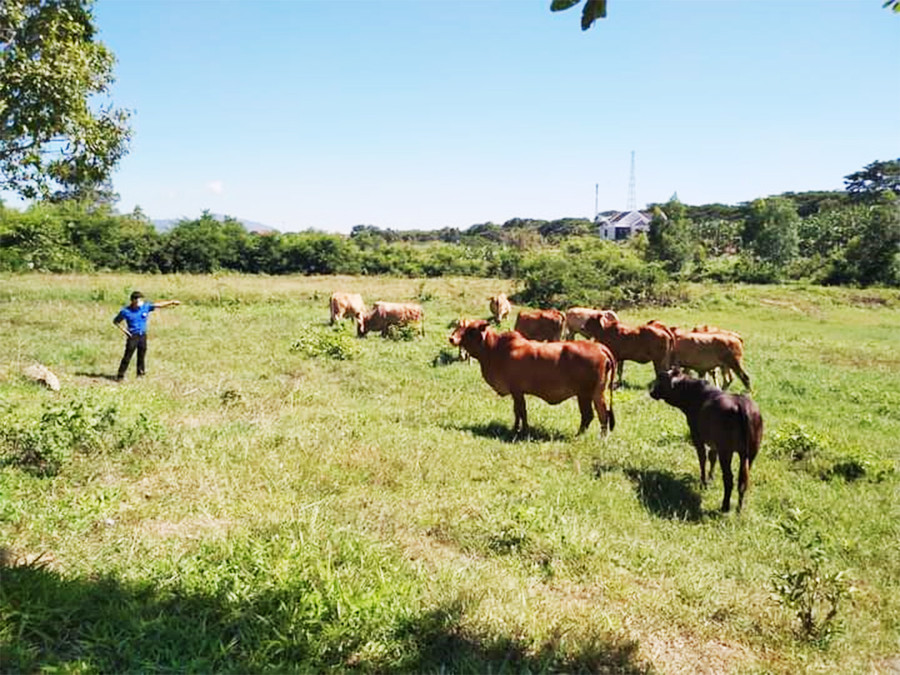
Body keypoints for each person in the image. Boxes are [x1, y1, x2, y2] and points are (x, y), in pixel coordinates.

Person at [113, 291, 181, 380]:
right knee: (127, 356)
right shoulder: (125, 311)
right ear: (133, 301)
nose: (140, 303)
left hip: (142, 335)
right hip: (132, 336)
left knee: (141, 355)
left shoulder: (145, 307)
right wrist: (125, 331)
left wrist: (171, 302)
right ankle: (120, 375)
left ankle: (140, 374)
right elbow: (116, 322)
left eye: (141, 300)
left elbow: (158, 305)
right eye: (138, 301)